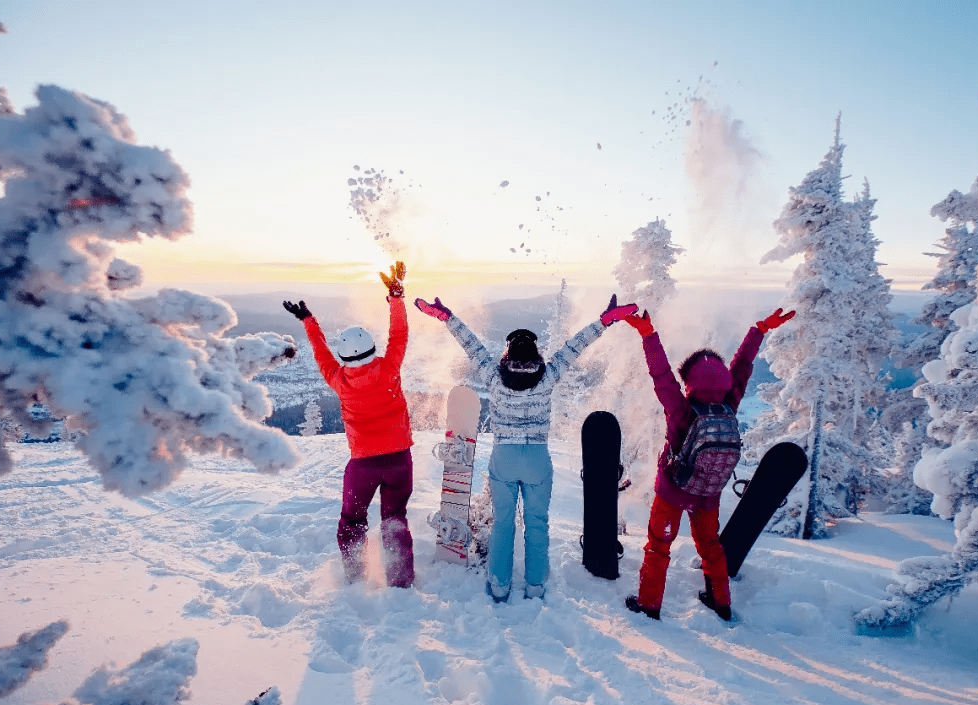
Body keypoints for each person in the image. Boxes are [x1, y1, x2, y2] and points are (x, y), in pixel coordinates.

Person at [415, 293, 638, 602]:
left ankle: (499, 585)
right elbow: (575, 347)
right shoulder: (546, 379)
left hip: (504, 458)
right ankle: (534, 586)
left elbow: (471, 345)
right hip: (536, 459)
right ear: (535, 354)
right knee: (537, 524)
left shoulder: (494, 377)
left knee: (504, 523)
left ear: (507, 353)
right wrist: (604, 321)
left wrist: (447, 317)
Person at [622, 307, 795, 621]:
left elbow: (661, 375)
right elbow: (742, 368)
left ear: (689, 382)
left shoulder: (681, 410)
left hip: (673, 492)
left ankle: (649, 604)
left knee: (659, 545)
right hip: (708, 492)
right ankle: (721, 602)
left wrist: (648, 335)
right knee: (711, 546)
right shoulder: (729, 404)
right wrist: (758, 331)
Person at [282, 261, 416, 588]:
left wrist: (308, 321)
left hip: (363, 466)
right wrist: (396, 297)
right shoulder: (389, 370)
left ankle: (357, 578)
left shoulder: (339, 381)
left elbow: (320, 352)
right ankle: (401, 581)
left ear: (346, 360)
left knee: (353, 521)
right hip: (399, 460)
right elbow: (400, 333)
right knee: (394, 519)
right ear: (372, 351)